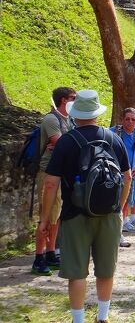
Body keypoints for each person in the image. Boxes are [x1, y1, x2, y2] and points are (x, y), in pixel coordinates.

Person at [38, 90, 131, 323]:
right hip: (108, 214)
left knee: (77, 272)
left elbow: (50, 184)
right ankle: (103, 317)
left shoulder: (67, 141)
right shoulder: (113, 138)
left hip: (74, 214)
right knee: (106, 269)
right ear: (97, 113)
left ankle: (78, 320)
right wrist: (118, 207)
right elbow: (128, 177)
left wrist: (44, 220)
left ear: (75, 114)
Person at [32, 86, 76, 276]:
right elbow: (60, 141)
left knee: (56, 216)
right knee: (46, 215)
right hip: (48, 172)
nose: (76, 101)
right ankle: (38, 257)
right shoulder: (51, 119)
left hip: (62, 172)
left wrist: (66, 142)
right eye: (74, 98)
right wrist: (66, 142)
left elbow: (67, 141)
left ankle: (50, 253)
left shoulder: (70, 119)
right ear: (64, 100)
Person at [111, 108, 135, 236]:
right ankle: (113, 230)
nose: (130, 122)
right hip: (113, 173)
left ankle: (120, 229)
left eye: (133, 119)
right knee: (113, 202)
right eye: (127, 119)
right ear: (122, 119)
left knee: (126, 202)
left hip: (129, 175)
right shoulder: (113, 132)